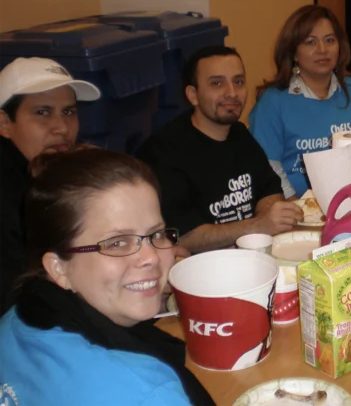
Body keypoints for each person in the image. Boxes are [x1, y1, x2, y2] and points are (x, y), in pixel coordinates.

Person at [0, 148, 214, 405]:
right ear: (59, 268)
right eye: (117, 243)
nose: (152, 257)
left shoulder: (15, 320)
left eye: (156, 234)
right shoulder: (148, 392)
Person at [137, 46, 302, 254]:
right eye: (217, 83)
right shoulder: (162, 152)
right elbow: (183, 237)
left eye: (238, 82)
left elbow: (270, 193)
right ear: (193, 95)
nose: (232, 93)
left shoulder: (240, 134)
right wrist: (256, 227)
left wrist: (261, 227)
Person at [0, 57, 100, 313]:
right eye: (42, 112)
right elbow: (18, 300)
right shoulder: (9, 196)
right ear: (4, 123)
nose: (62, 128)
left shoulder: (57, 170)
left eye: (68, 112)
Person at [249, 5, 351, 198]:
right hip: (298, 205)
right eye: (310, 42)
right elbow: (268, 166)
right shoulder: (273, 102)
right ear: (293, 52)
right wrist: (296, 206)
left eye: (329, 40)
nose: (322, 50)